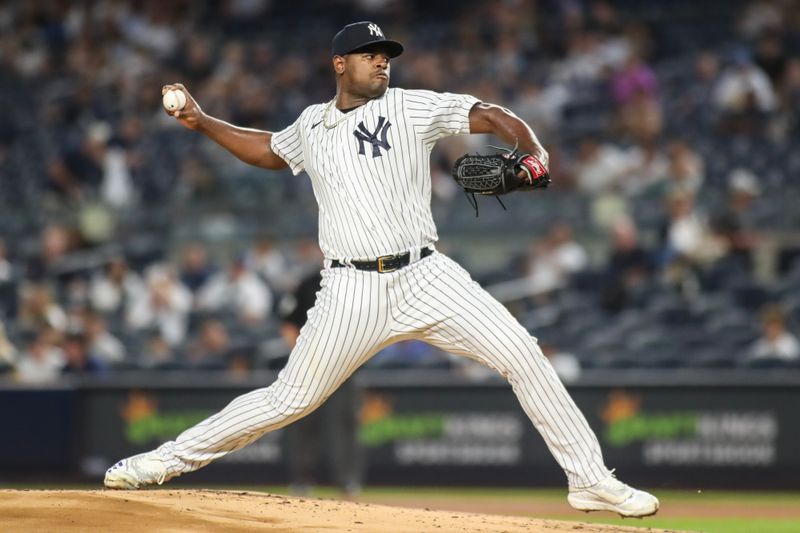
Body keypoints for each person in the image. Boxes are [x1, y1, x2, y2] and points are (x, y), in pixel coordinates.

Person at [104, 21, 658, 517]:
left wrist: (533, 150)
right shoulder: (312, 125)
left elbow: (489, 114)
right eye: (370, 53)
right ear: (339, 64)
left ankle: (590, 481)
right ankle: (164, 461)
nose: (382, 60)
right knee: (289, 400)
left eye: (386, 53)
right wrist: (200, 122)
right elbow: (270, 150)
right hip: (350, 287)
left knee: (523, 354)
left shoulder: (409, 106)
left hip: (426, 274)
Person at [276, 271, 363, 497]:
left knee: (344, 423)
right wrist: (301, 354)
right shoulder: (308, 283)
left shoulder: (359, 282)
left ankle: (347, 480)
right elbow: (288, 323)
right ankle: (302, 480)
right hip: (310, 366)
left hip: (344, 365)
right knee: (304, 421)